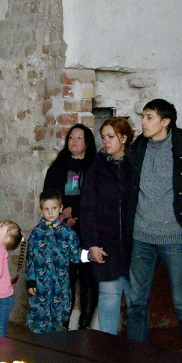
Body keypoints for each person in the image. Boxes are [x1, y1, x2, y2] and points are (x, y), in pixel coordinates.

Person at [126, 98, 182, 354]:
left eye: (149, 117)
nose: (143, 122)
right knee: (136, 302)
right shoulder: (137, 149)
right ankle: (135, 356)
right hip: (141, 236)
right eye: (143, 117)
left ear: (165, 122)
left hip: (175, 238)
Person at [80, 117, 135, 335]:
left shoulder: (136, 166)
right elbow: (87, 209)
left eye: (111, 136)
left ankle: (137, 348)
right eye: (103, 137)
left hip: (134, 246)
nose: (106, 141)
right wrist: (92, 243)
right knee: (109, 298)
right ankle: (107, 346)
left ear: (124, 138)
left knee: (136, 302)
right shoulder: (97, 169)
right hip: (106, 245)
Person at [43, 124, 98, 329]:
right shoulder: (57, 168)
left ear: (87, 143)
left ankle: (84, 325)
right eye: (71, 137)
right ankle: (62, 325)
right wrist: (61, 215)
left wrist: (76, 214)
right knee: (64, 278)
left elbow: (99, 199)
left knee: (88, 277)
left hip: (87, 231)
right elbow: (48, 197)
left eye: (79, 138)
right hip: (62, 232)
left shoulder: (95, 167)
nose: (74, 141)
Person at [25, 190, 83, 333]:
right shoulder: (36, 234)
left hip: (61, 285)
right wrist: (30, 281)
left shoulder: (68, 233)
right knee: (40, 321)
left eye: (54, 208)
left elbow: (76, 255)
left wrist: (92, 255)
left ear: (61, 208)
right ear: (41, 210)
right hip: (41, 285)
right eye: (46, 209)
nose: (50, 212)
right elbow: (30, 258)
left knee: (60, 321)